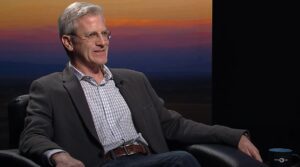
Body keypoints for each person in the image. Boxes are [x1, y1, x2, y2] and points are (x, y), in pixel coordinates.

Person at [19, 2, 262, 167]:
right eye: (92, 35)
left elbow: (174, 125)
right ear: (68, 42)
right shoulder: (48, 88)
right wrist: (59, 156)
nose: (102, 42)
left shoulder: (134, 79)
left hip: (148, 159)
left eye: (105, 34)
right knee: (180, 160)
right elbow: (32, 136)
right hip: (104, 163)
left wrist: (232, 137)